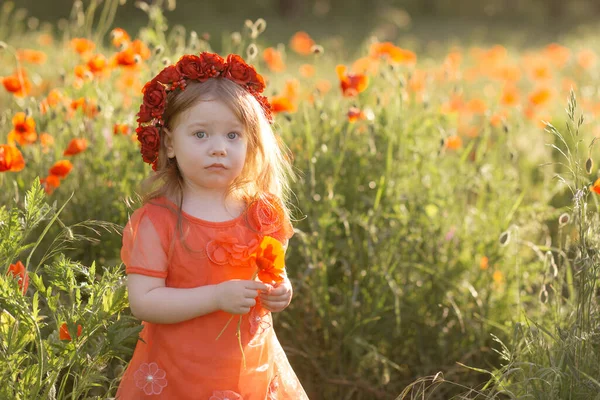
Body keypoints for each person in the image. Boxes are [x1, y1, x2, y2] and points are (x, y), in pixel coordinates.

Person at [115, 52, 308, 399]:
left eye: (233, 136)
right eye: (201, 134)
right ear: (170, 143)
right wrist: (216, 296)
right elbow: (143, 301)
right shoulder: (159, 221)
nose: (218, 148)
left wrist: (281, 290)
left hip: (250, 367)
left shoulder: (261, 214)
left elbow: (273, 273)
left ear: (250, 144)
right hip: (178, 370)